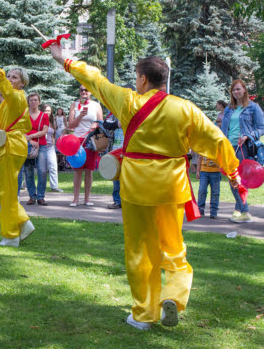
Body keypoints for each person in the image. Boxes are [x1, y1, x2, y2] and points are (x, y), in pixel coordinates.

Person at [48, 45, 240, 330]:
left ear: (142, 79)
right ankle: (173, 296)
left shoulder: (128, 101)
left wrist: (64, 58)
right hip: (171, 188)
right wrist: (233, 170)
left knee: (140, 252)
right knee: (174, 250)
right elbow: (216, 139)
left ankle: (143, 314)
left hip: (136, 187)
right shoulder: (185, 108)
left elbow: (95, 81)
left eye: (136, 77)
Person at [0, 45, 34, 247]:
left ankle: (11, 236)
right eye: (9, 76)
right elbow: (25, 124)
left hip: (12, 146)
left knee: (9, 192)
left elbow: (2, 85)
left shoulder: (16, 97)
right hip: (8, 146)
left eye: (14, 77)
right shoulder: (10, 101)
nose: (11, 79)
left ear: (22, 83)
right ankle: (23, 221)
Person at [220, 79, 264, 223]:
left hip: (242, 147)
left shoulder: (253, 108)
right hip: (229, 147)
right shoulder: (228, 109)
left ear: (244, 90)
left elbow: (261, 128)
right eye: (233, 90)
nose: (236, 92)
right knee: (232, 179)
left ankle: (243, 211)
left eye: (238, 89)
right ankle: (240, 210)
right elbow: (223, 129)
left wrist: (248, 136)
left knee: (239, 179)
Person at [68, 85, 103, 206]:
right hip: (78, 140)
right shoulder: (74, 104)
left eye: (86, 90)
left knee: (89, 170)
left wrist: (95, 125)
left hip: (91, 140)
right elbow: (71, 125)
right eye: (81, 90)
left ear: (90, 92)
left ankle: (87, 199)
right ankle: (75, 199)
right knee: (77, 170)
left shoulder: (96, 105)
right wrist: (80, 115)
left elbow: (100, 122)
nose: (84, 92)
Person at [22, 93, 50, 205]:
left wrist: (32, 136)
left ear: (39, 102)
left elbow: (44, 131)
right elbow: (20, 130)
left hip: (41, 145)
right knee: (28, 172)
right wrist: (29, 141)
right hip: (27, 145)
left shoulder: (44, 116)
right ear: (28, 102)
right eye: (31, 100)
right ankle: (32, 196)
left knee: (42, 171)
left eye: (35, 100)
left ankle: (41, 196)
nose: (33, 102)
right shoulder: (24, 115)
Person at [103, 112, 124, 209]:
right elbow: (106, 124)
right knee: (116, 177)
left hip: (131, 149)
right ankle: (117, 201)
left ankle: (130, 202)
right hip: (115, 149)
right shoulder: (113, 109)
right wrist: (117, 124)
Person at [43, 104, 63, 193]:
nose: (47, 112)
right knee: (40, 168)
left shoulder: (51, 121)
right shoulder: (40, 120)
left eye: (49, 111)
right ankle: (25, 184)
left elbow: (53, 133)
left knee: (53, 166)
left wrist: (54, 140)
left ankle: (54, 186)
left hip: (50, 147)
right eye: (46, 111)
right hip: (41, 146)